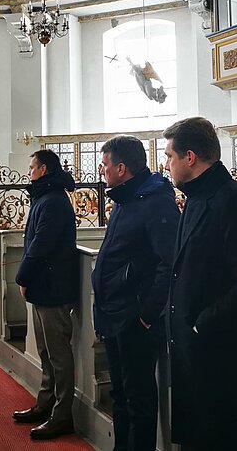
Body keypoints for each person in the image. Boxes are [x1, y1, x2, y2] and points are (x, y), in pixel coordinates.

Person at [163, 117, 237, 451]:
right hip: (199, 356)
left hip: (224, 359)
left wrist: (203, 324)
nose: (167, 165)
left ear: (189, 157)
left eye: (170, 156)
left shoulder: (233, 201)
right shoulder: (196, 199)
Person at [91, 135, 178, 451]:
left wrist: (146, 314)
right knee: (120, 393)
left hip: (134, 318)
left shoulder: (155, 202)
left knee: (138, 397)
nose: (101, 170)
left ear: (121, 168)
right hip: (114, 313)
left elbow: (170, 262)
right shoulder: (126, 199)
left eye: (105, 164)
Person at [13, 150, 79, 439]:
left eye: (32, 167)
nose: (29, 171)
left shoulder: (53, 200)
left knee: (58, 355)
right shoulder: (45, 196)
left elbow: (41, 244)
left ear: (43, 169)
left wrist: (23, 277)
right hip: (44, 285)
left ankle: (62, 416)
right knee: (45, 351)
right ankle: (45, 404)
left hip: (53, 287)